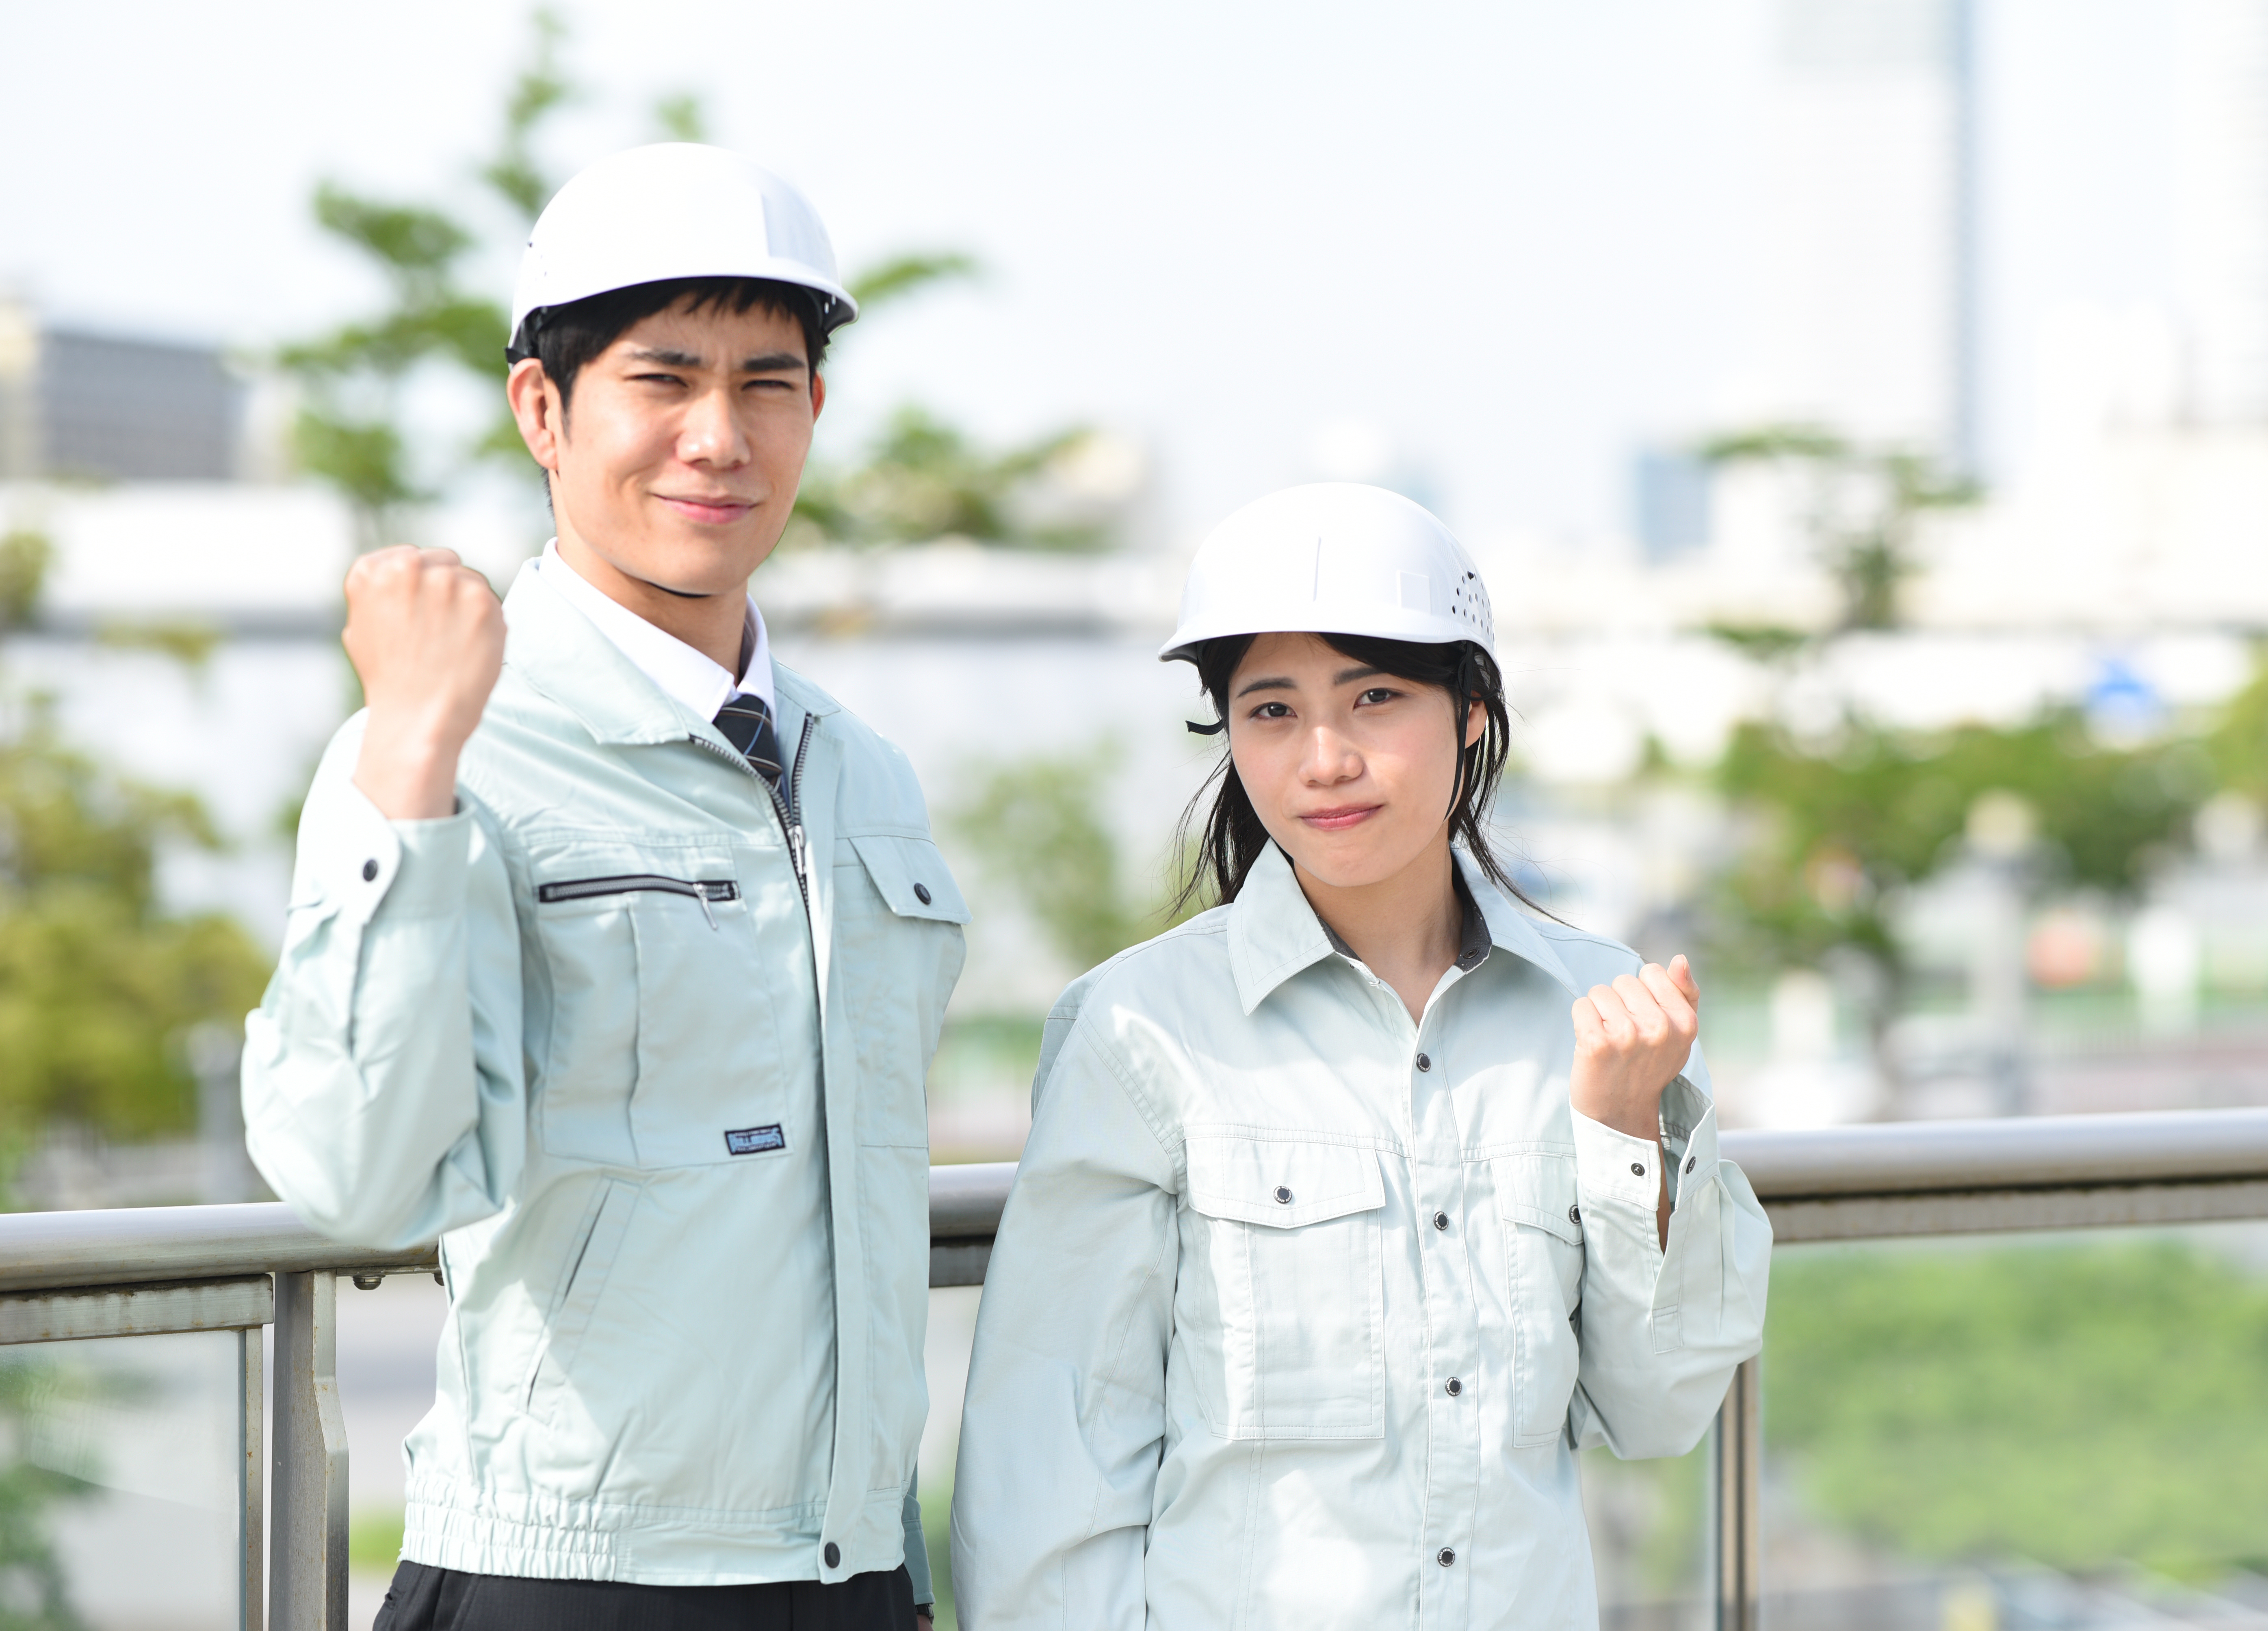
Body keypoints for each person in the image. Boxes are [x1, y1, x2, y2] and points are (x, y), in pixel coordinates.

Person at [242, 144, 964, 1630]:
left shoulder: (863, 774)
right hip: (567, 1577)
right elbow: (360, 1178)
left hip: (852, 1573)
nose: (719, 436)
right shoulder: (437, 753)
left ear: (814, 413)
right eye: (664, 380)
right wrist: (418, 759)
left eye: (769, 384)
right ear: (545, 413)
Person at [948, 483, 1771, 1629]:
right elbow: (1055, 1463)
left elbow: (1662, 1407)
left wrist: (1626, 1133)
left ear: (1472, 709)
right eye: (1271, 712)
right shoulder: (1144, 1032)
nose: (1323, 759)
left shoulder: (1598, 1010)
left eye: (1374, 698)